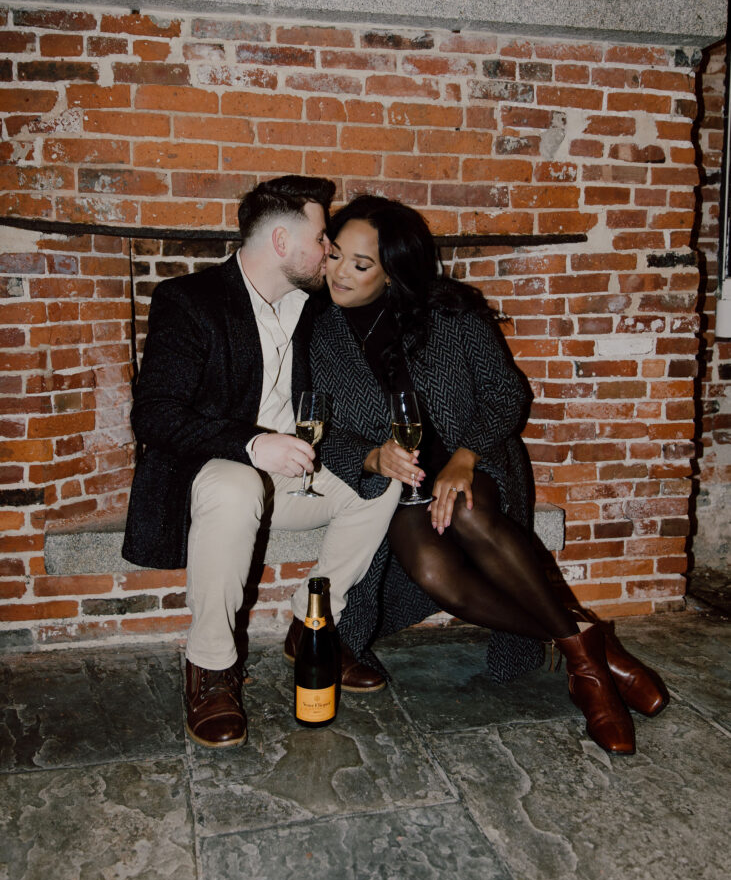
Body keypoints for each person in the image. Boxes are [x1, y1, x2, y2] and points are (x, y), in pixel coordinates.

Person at [310, 195, 669, 756]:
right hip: (395, 485)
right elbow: (316, 428)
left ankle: (589, 677)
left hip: (474, 462)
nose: (338, 273)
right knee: (430, 569)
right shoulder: (316, 330)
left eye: (361, 264)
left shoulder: (451, 313)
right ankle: (590, 652)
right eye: (334, 256)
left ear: (393, 270)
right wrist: (372, 457)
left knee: (473, 513)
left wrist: (464, 457)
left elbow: (507, 394)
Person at [122, 177, 401, 749]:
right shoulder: (189, 301)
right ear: (281, 241)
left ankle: (310, 623)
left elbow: (387, 310)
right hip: (215, 468)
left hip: (297, 469)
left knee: (384, 484)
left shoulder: (316, 305)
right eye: (322, 238)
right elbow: (153, 417)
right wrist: (252, 444)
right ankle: (211, 667)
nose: (330, 251)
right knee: (236, 487)